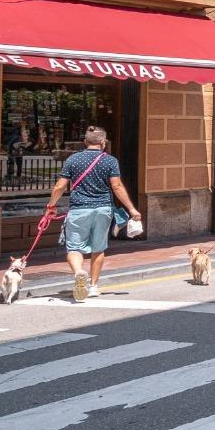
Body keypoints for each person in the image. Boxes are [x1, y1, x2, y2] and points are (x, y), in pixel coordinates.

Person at [45, 126, 142, 302]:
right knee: (98, 247)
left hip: (79, 209)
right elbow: (117, 187)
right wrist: (131, 209)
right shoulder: (110, 161)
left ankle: (79, 272)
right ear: (103, 142)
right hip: (103, 209)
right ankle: (94, 286)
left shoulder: (73, 159)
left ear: (85, 142)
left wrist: (51, 206)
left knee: (74, 247)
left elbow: (60, 186)